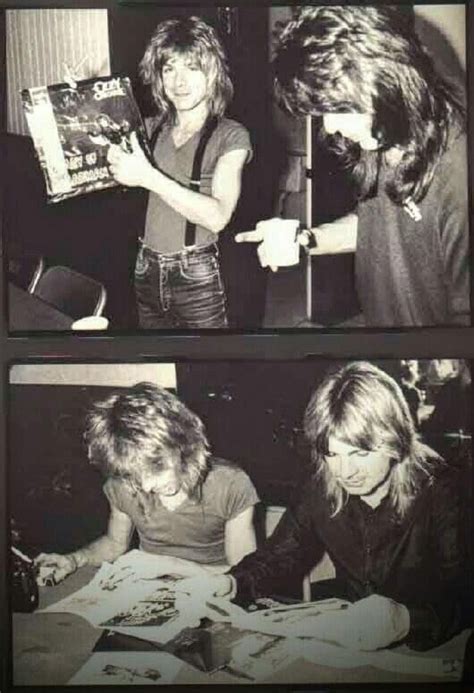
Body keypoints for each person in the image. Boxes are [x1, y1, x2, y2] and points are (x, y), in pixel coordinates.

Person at [190, 362, 468, 651]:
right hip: (351, 638)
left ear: (395, 441)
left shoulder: (444, 488)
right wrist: (231, 583)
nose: (345, 471)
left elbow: (463, 593)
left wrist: (407, 619)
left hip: (431, 644)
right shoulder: (320, 482)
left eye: (360, 453)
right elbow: (280, 555)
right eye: (333, 453)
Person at [237, 6, 469, 327]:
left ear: (383, 75)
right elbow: (375, 226)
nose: (330, 127)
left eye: (338, 108)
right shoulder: (382, 133)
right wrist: (306, 240)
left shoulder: (458, 172)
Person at [106, 16, 252, 328]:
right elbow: (96, 140)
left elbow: (218, 216)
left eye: (191, 67)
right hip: (145, 269)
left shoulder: (231, 134)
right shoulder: (150, 126)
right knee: (161, 367)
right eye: (169, 68)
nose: (178, 82)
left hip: (196, 273)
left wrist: (147, 176)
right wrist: (81, 99)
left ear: (211, 73)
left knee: (209, 370)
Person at [35, 382, 259, 583]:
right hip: (149, 592)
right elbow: (114, 544)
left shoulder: (231, 484)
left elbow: (243, 575)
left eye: (156, 468)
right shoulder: (125, 484)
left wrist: (172, 566)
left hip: (213, 589)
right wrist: (75, 559)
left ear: (183, 444)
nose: (146, 486)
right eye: (134, 474)